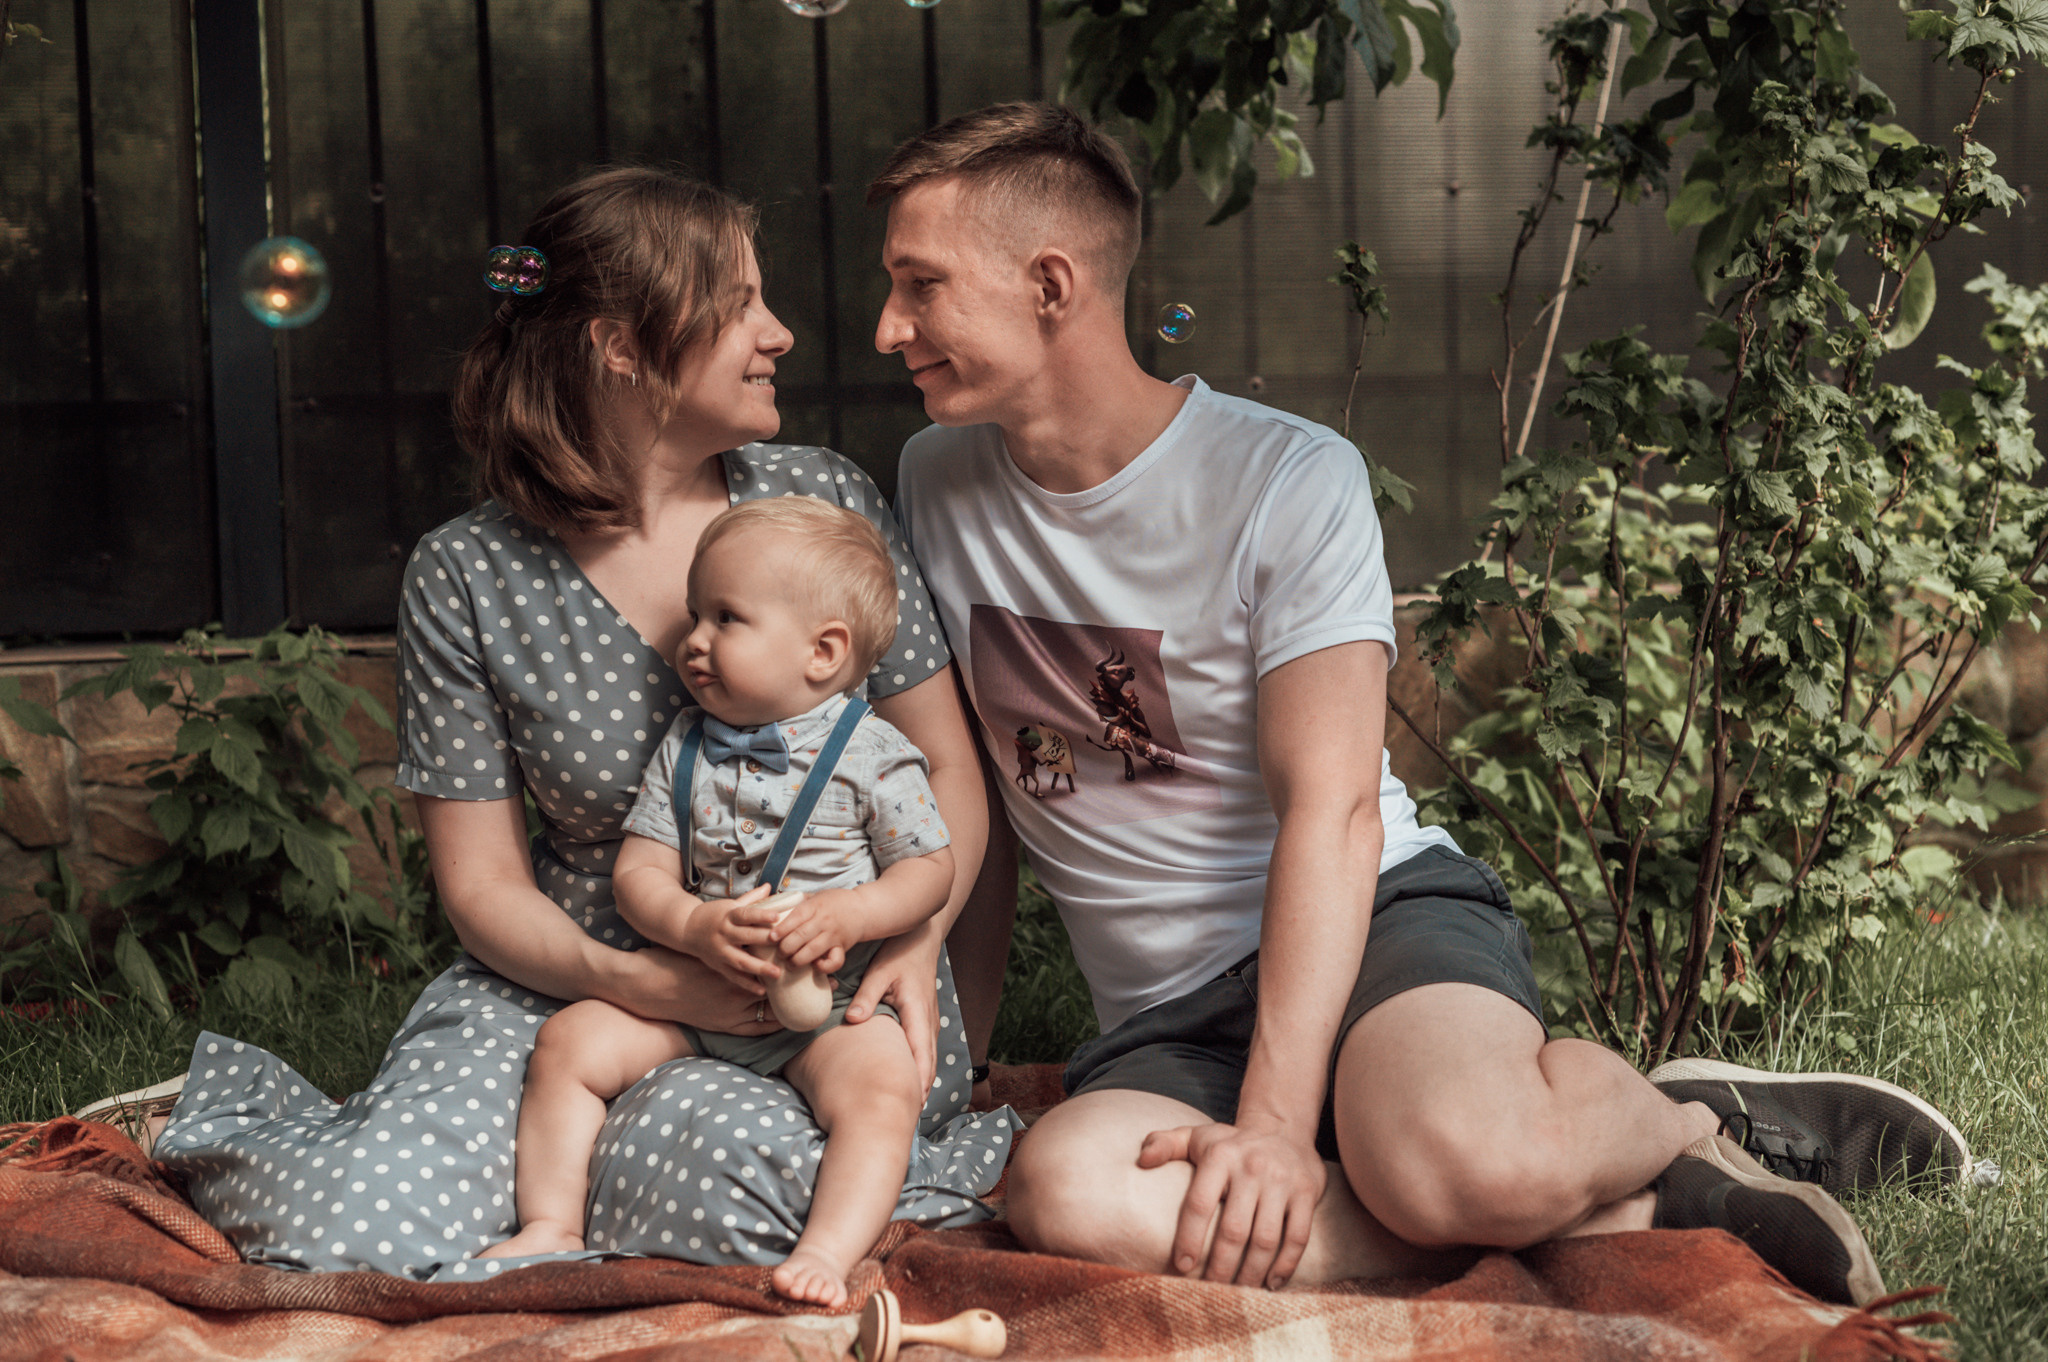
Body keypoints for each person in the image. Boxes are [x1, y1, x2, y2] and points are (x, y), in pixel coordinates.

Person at [876, 104, 1973, 1307]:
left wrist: (1279, 1128)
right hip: (1164, 1021)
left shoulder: (1285, 480)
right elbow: (970, 795)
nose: (888, 330)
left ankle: (1665, 1112)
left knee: (1452, 1161)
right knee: (1064, 1191)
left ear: (1048, 283)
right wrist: (956, 1067)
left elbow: (1335, 813)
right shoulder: (932, 484)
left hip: (1370, 925)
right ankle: (1633, 1203)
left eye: (919, 288)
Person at [135, 167, 1015, 1279]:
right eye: (740, 304)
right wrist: (652, 981)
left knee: (753, 1201)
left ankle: (585, 1191)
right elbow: (484, 891)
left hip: (832, 988)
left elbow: (940, 765)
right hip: (577, 980)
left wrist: (911, 939)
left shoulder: (818, 500)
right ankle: (550, 1185)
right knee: (341, 1226)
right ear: (622, 346)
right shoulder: (467, 574)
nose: (779, 333)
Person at [481, 498, 956, 1308]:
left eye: (725, 618)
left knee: (883, 1093)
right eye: (695, 613)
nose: (691, 639)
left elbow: (930, 870)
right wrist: (694, 926)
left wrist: (853, 915)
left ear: (824, 651)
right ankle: (552, 1223)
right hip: (698, 989)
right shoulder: (687, 744)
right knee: (567, 1043)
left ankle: (828, 1253)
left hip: (829, 1005)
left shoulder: (875, 753)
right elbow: (639, 876)